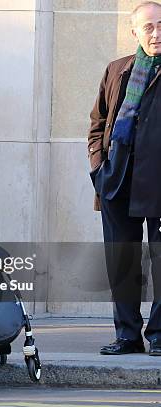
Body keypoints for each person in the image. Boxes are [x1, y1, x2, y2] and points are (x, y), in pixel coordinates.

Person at [88, 1, 161, 356]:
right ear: (135, 32)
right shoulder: (117, 69)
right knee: (123, 261)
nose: (156, 32)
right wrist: (98, 168)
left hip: (158, 179)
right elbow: (97, 122)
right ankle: (128, 335)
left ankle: (159, 334)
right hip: (117, 178)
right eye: (148, 27)